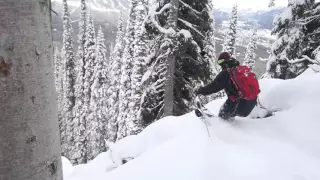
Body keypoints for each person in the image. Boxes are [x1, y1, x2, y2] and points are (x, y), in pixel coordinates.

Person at [195, 52, 260, 121]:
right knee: (229, 115)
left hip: (237, 104)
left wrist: (200, 91)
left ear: (224, 61)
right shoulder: (240, 69)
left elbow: (213, 87)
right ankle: (230, 125)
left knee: (222, 117)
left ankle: (219, 126)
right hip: (250, 104)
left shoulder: (226, 73)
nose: (220, 64)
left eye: (220, 62)